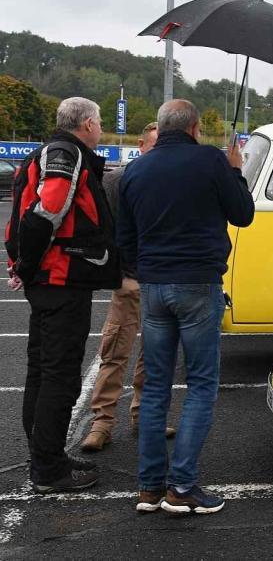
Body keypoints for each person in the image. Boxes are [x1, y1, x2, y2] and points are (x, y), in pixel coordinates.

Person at [119, 100, 254, 515]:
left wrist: (144, 271)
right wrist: (234, 169)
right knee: (200, 385)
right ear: (195, 127)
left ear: (160, 128)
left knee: (156, 385)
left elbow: (125, 236)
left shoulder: (135, 169)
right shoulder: (211, 161)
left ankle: (149, 487)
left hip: (155, 284)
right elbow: (243, 214)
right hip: (198, 281)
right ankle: (182, 486)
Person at [4, 97, 121, 493]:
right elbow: (43, 213)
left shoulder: (47, 151)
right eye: (100, 121)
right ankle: (48, 468)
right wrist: (26, 264)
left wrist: (19, 260)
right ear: (87, 123)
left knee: (42, 369)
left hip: (52, 280)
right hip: (61, 281)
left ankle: (45, 454)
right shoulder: (66, 153)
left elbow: (19, 218)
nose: (101, 128)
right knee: (59, 374)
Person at [81, 123, 176, 451]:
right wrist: (118, 276)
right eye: (155, 144)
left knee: (155, 357)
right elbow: (102, 232)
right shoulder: (116, 180)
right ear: (140, 145)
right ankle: (102, 422)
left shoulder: (172, 182)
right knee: (114, 352)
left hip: (160, 282)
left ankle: (144, 417)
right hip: (129, 281)